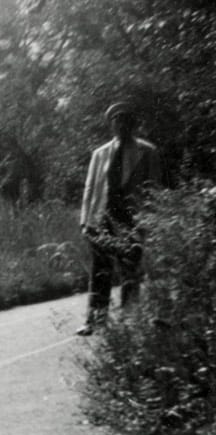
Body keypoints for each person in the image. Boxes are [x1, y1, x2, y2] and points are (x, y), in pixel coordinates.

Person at [77, 102, 162, 335]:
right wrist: (85, 221)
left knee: (130, 268)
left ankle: (130, 321)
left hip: (131, 218)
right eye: (116, 120)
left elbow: (153, 187)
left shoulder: (147, 151)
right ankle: (95, 319)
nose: (121, 125)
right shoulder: (100, 153)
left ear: (133, 125)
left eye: (126, 120)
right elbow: (90, 188)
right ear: (111, 124)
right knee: (100, 269)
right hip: (102, 217)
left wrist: (149, 221)